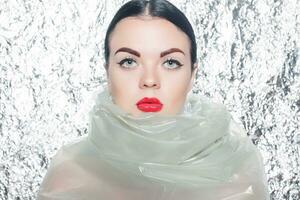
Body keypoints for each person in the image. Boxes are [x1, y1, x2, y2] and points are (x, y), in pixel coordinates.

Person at [37, 0, 270, 199]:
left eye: (171, 62)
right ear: (108, 72)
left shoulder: (238, 179)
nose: (149, 80)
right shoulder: (68, 178)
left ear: (192, 75)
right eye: (129, 61)